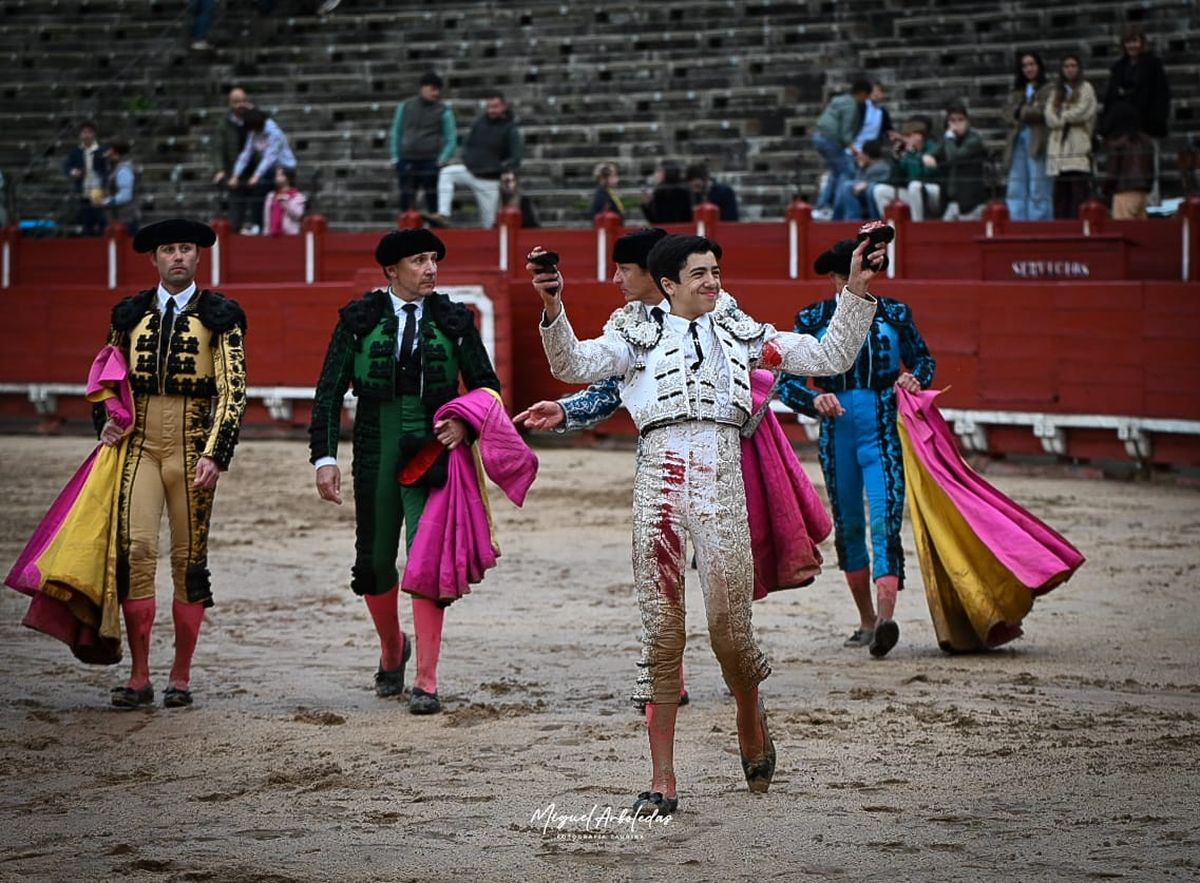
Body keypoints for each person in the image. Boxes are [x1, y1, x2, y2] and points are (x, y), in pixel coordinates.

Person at [531, 233, 879, 814]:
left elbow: (829, 357)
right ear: (669, 284)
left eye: (716, 270)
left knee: (727, 627)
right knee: (662, 630)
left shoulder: (743, 333)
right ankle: (662, 778)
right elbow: (572, 364)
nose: (713, 282)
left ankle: (749, 710)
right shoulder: (633, 335)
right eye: (700, 274)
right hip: (659, 480)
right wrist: (552, 306)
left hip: (720, 478)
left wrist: (858, 289)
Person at [308, 228, 501, 715]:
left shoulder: (455, 320)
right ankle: (394, 648)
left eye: (434, 259)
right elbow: (329, 391)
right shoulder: (359, 319)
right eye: (419, 260)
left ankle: (427, 680)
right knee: (373, 562)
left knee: (427, 559)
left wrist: (463, 420)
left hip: (434, 448)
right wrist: (324, 457)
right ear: (392, 271)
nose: (431, 268)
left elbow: (487, 388)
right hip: (374, 443)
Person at [97, 218, 248, 708]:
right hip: (138, 446)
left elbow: (234, 389)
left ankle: (179, 676)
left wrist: (216, 453)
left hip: (191, 447)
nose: (178, 257)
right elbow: (106, 374)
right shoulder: (129, 313)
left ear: (198, 257)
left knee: (189, 560)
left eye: (186, 249)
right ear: (155, 258)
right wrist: (103, 420)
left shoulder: (221, 315)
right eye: (169, 250)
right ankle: (139, 676)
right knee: (135, 551)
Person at [778, 238, 934, 658]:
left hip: (883, 429)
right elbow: (785, 378)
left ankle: (885, 619)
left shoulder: (895, 314)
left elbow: (924, 361)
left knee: (885, 519)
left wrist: (913, 377)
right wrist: (812, 400)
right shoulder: (813, 318)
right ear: (833, 277)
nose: (853, 281)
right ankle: (866, 620)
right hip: (837, 433)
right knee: (848, 525)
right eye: (845, 274)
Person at [1101, 26, 1171, 205]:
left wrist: (1155, 122)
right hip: (1122, 129)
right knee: (1123, 168)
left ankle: (1151, 203)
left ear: (1142, 43)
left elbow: (1161, 95)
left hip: (1145, 127)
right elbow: (1110, 97)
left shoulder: (1153, 65)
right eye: (1128, 42)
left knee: (1147, 166)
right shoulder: (1118, 67)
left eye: (1135, 41)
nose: (1132, 45)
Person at [435, 92, 522, 228]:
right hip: (470, 170)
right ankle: (443, 214)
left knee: (489, 222)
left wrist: (501, 168)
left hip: (490, 179)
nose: (492, 110)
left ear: (503, 107)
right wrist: (466, 158)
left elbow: (516, 157)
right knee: (447, 173)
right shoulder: (479, 123)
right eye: (490, 107)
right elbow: (468, 144)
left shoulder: (510, 129)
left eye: (495, 106)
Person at [389, 71, 457, 216]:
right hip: (407, 160)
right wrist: (395, 157)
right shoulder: (405, 106)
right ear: (423, 88)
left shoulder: (443, 110)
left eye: (438, 89)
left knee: (433, 202)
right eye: (433, 89)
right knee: (406, 201)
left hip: (431, 161)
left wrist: (442, 159)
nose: (436, 93)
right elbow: (397, 131)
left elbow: (451, 137)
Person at [1045, 55, 1098, 220]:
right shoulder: (1056, 91)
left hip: (1077, 146)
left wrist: (1061, 114)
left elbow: (1081, 112)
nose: (1070, 69)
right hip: (1058, 150)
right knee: (1061, 196)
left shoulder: (1086, 88)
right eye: (1066, 66)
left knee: (1078, 194)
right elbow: (1048, 116)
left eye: (1073, 65)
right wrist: (1063, 117)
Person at [228, 108, 297, 235]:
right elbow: (246, 154)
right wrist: (236, 175)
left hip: (284, 169)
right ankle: (258, 225)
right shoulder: (253, 133)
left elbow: (270, 157)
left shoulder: (274, 133)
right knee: (256, 193)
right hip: (269, 169)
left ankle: (260, 226)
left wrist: (256, 176)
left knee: (261, 193)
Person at [811, 78, 872, 219]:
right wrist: (855, 150)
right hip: (830, 139)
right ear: (862, 94)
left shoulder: (840, 100)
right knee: (847, 171)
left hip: (819, 136)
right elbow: (845, 133)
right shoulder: (851, 106)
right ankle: (834, 210)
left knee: (836, 172)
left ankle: (823, 206)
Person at [1003, 51, 1053, 221]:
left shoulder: (1048, 88)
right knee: (1016, 184)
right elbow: (1007, 114)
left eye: (1032, 64)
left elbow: (1042, 112)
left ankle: (1039, 222)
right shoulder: (1017, 91)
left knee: (1038, 185)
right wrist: (1022, 113)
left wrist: (1020, 111)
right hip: (1018, 138)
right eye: (1025, 65)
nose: (1029, 68)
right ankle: (1016, 221)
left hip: (1037, 140)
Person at [871, 121, 941, 221]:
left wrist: (912, 156)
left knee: (915, 186)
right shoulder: (909, 152)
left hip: (933, 192)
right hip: (915, 193)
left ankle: (917, 224)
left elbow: (921, 176)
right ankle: (891, 226)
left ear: (919, 136)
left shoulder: (933, 148)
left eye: (909, 135)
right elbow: (896, 181)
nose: (905, 139)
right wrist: (897, 160)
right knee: (880, 190)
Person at [928, 104, 987, 221]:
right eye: (953, 120)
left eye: (960, 120)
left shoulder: (974, 140)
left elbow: (954, 157)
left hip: (971, 202)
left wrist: (949, 138)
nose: (957, 124)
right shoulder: (947, 139)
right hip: (952, 202)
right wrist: (928, 157)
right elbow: (933, 152)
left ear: (967, 121)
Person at [1102, 101, 1154, 219]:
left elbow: (1113, 172)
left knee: (1124, 228)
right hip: (1143, 190)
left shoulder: (1118, 142)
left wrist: (1105, 190)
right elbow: (1151, 168)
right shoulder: (1146, 141)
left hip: (1124, 190)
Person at [211, 86, 253, 230]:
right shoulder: (224, 124)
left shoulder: (254, 119)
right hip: (234, 173)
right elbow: (218, 148)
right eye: (236, 102)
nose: (240, 105)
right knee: (236, 212)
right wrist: (220, 169)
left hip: (255, 172)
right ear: (230, 104)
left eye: (242, 101)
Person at [64, 121, 108, 236]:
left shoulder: (102, 151)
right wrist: (74, 172)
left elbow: (106, 170)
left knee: (100, 219)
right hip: (83, 189)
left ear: (94, 134)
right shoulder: (76, 152)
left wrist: (105, 187)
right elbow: (67, 167)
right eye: (84, 132)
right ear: (80, 135)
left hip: (98, 189)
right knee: (86, 220)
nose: (87, 135)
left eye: (89, 132)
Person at [832, 138, 892, 221]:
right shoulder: (867, 166)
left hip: (873, 193)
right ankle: (843, 219)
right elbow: (859, 182)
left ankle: (851, 219)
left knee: (847, 186)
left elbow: (874, 181)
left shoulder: (880, 167)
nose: (860, 156)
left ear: (867, 155)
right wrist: (861, 168)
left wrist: (866, 182)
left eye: (862, 153)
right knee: (845, 183)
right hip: (864, 193)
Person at [99, 140, 140, 237]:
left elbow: (126, 196)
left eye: (108, 150)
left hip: (126, 219)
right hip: (123, 218)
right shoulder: (117, 167)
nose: (105, 153)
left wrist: (105, 201)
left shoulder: (123, 169)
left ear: (114, 151)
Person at [640, 160, 693, 224]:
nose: (656, 174)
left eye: (659, 171)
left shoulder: (682, 192)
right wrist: (646, 205)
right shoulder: (659, 193)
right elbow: (655, 221)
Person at [262, 166, 306, 236]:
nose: (276, 178)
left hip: (290, 235)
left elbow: (298, 215)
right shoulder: (271, 196)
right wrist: (266, 232)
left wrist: (285, 202)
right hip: (272, 235)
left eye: (280, 175)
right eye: (276, 175)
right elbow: (267, 218)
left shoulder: (297, 196)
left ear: (287, 178)